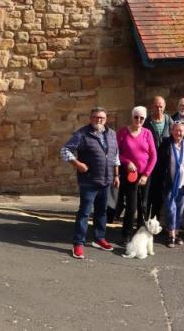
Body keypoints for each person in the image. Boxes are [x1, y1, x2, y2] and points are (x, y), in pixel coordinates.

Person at [60, 107, 120, 259]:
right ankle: (78, 243)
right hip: (89, 181)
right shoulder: (82, 134)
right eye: (95, 117)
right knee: (84, 213)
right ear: (90, 118)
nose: (98, 120)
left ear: (106, 119)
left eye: (101, 118)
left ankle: (99, 239)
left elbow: (116, 156)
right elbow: (65, 150)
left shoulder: (112, 134)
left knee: (102, 212)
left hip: (106, 181)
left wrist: (117, 175)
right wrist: (77, 164)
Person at [116, 106, 157, 245]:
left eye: (142, 118)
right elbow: (117, 153)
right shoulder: (122, 132)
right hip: (129, 175)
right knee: (131, 206)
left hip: (145, 175)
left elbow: (153, 156)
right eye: (136, 117)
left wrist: (146, 175)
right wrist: (127, 162)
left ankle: (141, 235)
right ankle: (126, 234)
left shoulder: (147, 133)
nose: (138, 120)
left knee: (143, 206)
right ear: (132, 116)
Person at [156, 122, 184, 248]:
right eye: (176, 130)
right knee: (171, 209)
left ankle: (177, 233)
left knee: (179, 210)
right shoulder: (166, 144)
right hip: (170, 184)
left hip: (183, 184)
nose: (179, 133)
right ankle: (171, 235)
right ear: (172, 131)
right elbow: (160, 164)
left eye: (181, 131)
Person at [144, 96, 174, 221]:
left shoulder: (169, 121)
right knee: (148, 193)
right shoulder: (146, 122)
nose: (159, 109)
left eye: (161, 106)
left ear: (164, 106)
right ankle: (144, 219)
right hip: (149, 163)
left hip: (164, 163)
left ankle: (155, 219)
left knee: (160, 193)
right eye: (156, 106)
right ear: (152, 106)